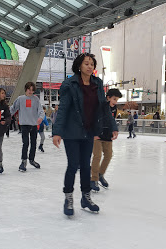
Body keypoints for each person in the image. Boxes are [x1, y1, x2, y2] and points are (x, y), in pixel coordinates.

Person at [52, 52, 118, 216]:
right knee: (73, 165)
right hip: (72, 132)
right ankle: (68, 198)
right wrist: (57, 132)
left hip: (89, 132)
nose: (90, 66)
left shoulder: (97, 84)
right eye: (86, 63)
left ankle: (85, 197)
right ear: (79, 66)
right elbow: (63, 109)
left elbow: (104, 108)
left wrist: (113, 126)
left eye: (92, 64)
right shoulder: (70, 84)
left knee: (85, 167)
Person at [90, 88, 122, 191]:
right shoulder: (100, 105)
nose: (115, 102)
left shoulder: (114, 108)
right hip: (97, 135)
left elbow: (112, 120)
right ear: (108, 98)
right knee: (97, 156)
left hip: (107, 136)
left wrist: (114, 130)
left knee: (108, 155)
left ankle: (100, 174)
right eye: (114, 99)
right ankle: (93, 179)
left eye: (116, 100)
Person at [10, 82, 45, 171]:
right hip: (24, 124)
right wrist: (6, 116)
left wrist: (41, 118)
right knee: (26, 143)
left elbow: (41, 110)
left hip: (33, 125)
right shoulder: (20, 99)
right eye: (29, 89)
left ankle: (31, 159)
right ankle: (23, 161)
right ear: (26, 89)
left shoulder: (36, 99)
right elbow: (13, 108)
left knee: (34, 143)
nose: (30, 91)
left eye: (32, 90)